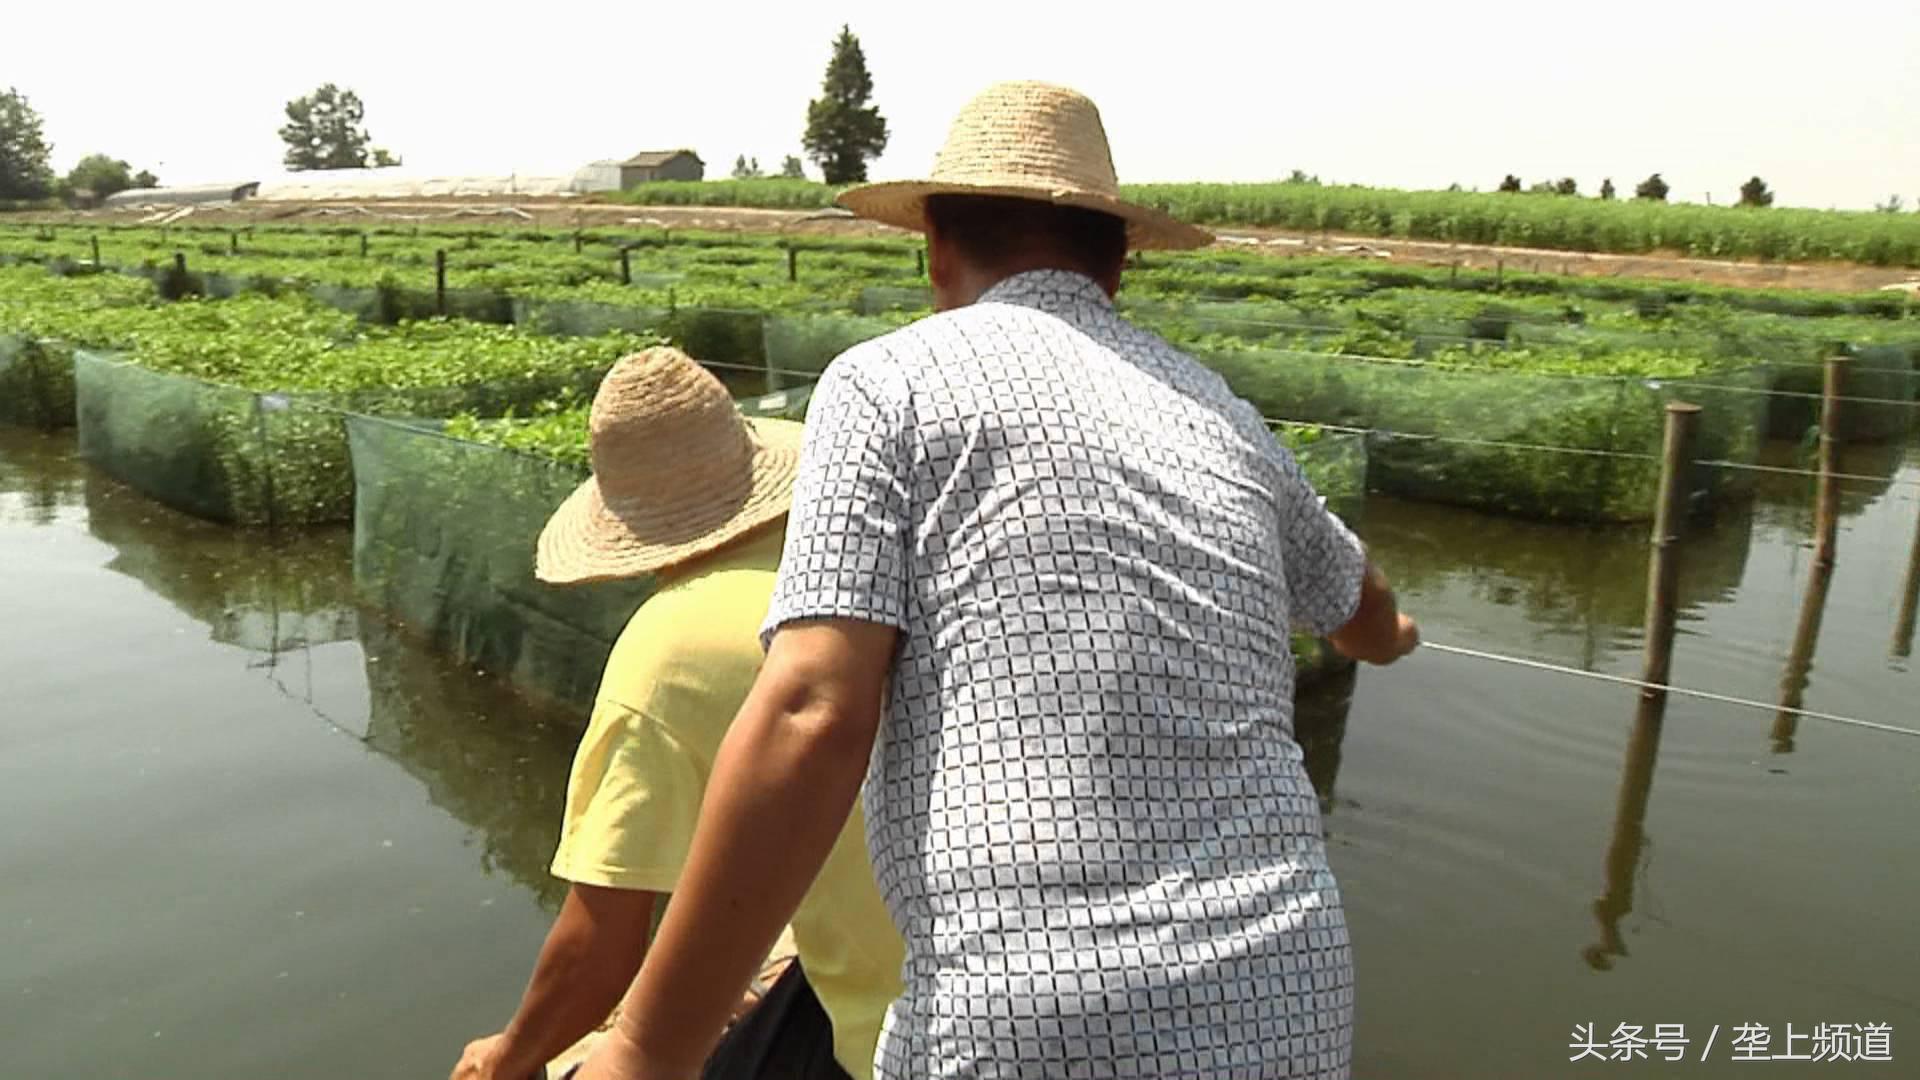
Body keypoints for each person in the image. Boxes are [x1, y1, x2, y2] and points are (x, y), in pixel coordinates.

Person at [576, 82, 1420, 1080]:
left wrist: (644, 1047)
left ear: (934, 249)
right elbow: (1357, 598)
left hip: (1034, 1014)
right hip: (1290, 991)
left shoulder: (889, 382)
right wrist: (1389, 634)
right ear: (1119, 262)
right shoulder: (1219, 411)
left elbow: (811, 708)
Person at [451, 346, 904, 1080]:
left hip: (903, 1025)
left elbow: (602, 945)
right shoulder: (856, 555)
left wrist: (510, 1056)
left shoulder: (669, 650)